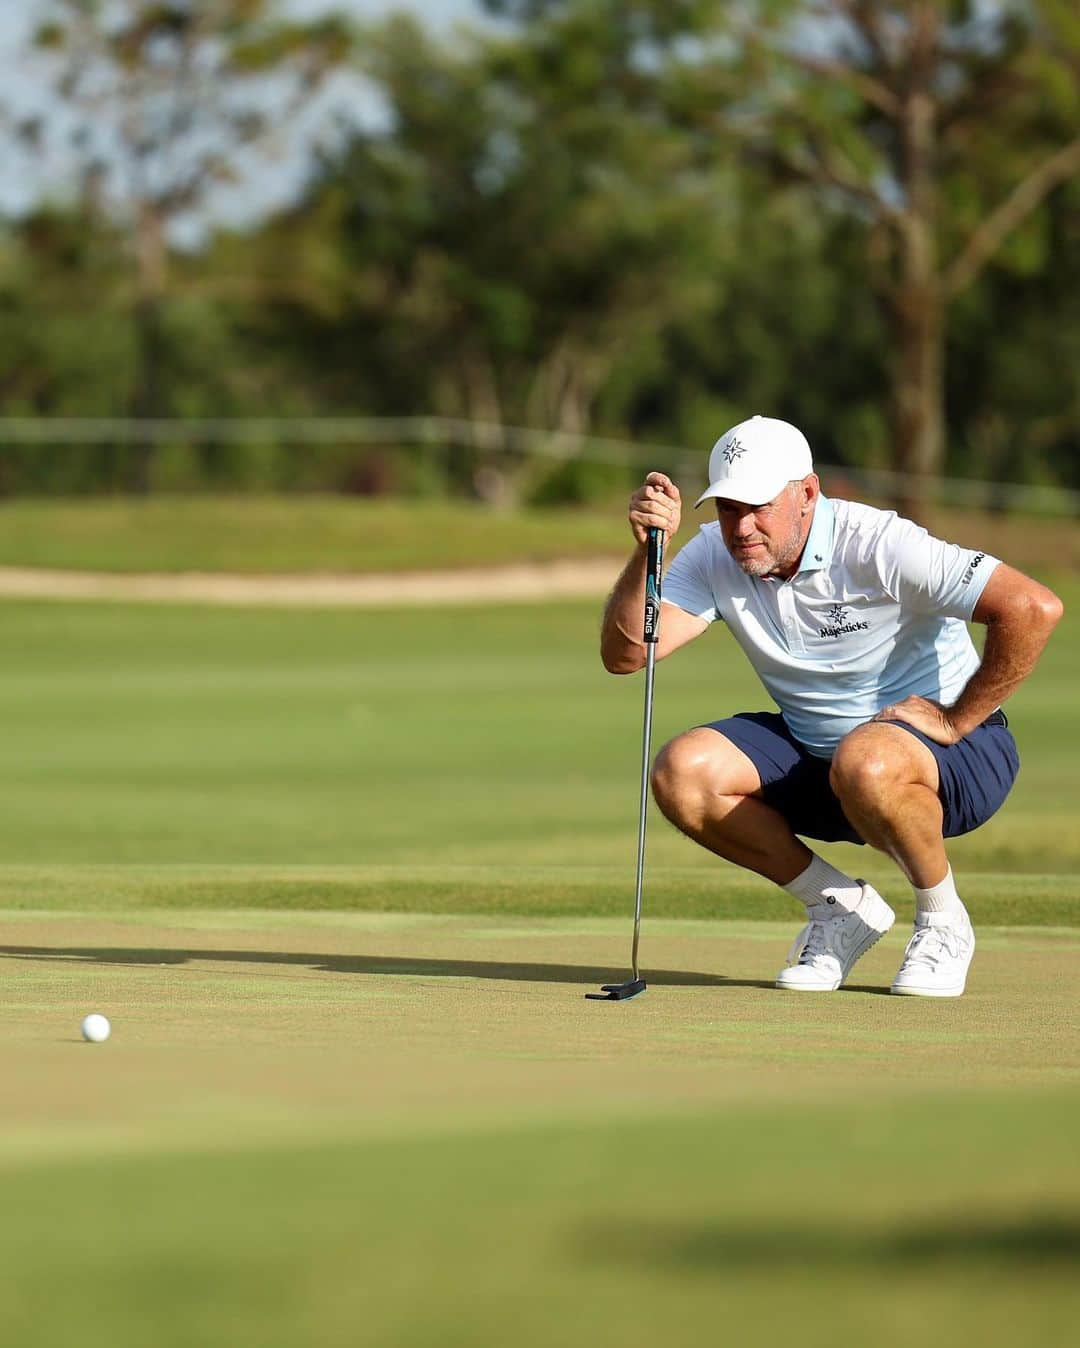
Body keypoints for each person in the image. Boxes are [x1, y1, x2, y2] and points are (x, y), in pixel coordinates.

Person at [600, 416, 1063, 997]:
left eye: (759, 506)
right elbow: (626, 655)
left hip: (957, 756)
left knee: (865, 760)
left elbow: (1032, 607)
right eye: (726, 508)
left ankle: (944, 920)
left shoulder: (878, 544)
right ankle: (840, 910)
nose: (741, 527)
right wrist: (648, 555)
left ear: (808, 494)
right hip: (826, 758)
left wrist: (955, 719)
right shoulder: (715, 553)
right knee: (682, 771)